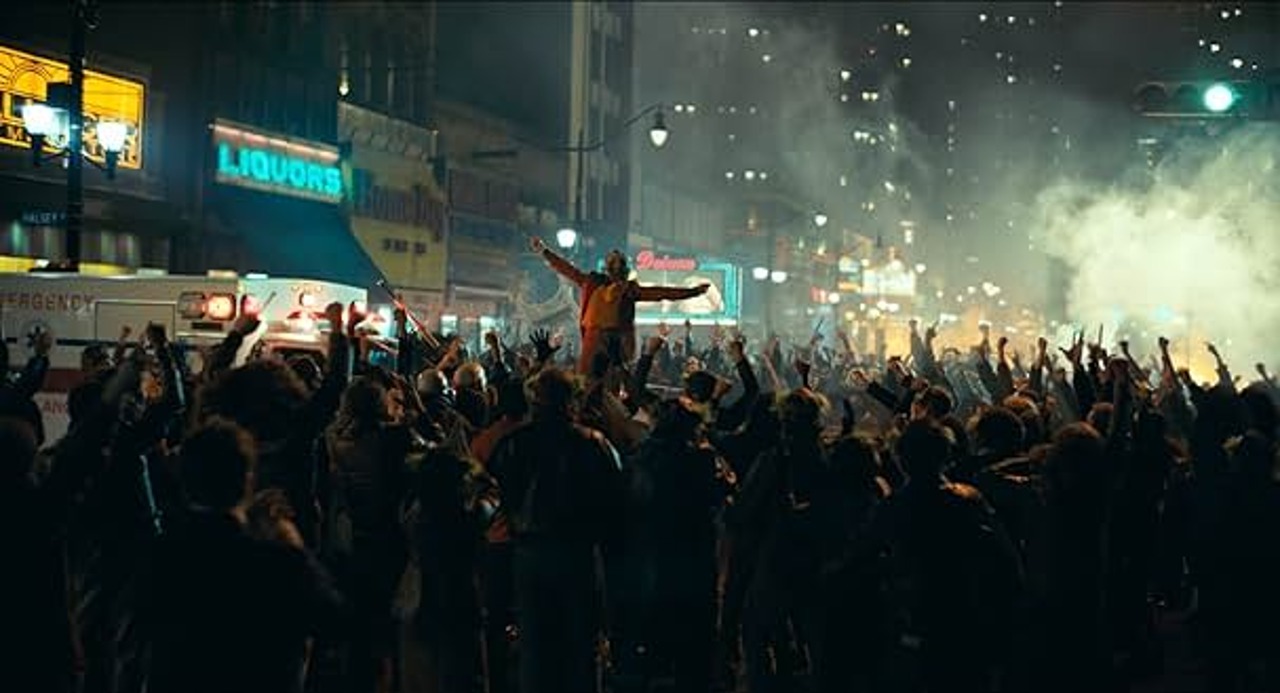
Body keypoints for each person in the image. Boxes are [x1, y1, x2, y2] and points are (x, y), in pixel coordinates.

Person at [487, 368, 624, 693]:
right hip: (577, 555)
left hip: (529, 555)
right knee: (581, 646)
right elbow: (617, 500)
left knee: (535, 646)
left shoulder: (514, 443)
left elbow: (494, 495)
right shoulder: (593, 444)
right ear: (570, 401)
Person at [529, 237, 710, 373]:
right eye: (613, 261)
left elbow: (661, 292)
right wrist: (544, 251)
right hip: (595, 339)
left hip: (613, 341)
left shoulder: (626, 289)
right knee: (588, 381)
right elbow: (567, 269)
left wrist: (692, 292)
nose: (615, 264)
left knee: (609, 382)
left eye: (618, 261)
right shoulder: (593, 282)